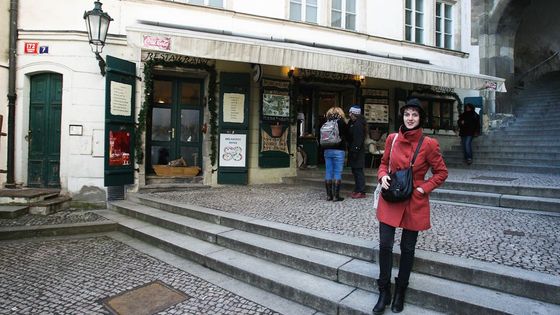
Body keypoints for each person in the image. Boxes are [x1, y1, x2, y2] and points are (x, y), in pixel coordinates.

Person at [373, 98, 448, 314]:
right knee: (385, 245)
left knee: (407, 248)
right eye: (407, 114)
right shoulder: (392, 139)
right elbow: (384, 163)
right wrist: (382, 176)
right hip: (391, 198)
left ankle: (400, 291)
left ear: (420, 118)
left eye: (414, 114)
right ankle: (384, 290)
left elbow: (441, 172)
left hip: (414, 201)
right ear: (402, 116)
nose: (410, 118)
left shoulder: (429, 144)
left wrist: (424, 188)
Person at [322, 106, 348, 202]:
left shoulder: (326, 123)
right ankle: (336, 197)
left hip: (327, 150)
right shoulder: (342, 123)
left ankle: (329, 196)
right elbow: (347, 135)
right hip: (339, 150)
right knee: (337, 172)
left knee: (328, 172)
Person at [347, 105, 367, 198]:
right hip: (354, 150)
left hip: (357, 151)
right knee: (355, 171)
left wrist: (355, 150)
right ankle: (357, 189)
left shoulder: (358, 124)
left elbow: (358, 139)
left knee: (358, 171)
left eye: (350, 113)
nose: (349, 114)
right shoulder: (353, 123)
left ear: (354, 113)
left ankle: (361, 191)